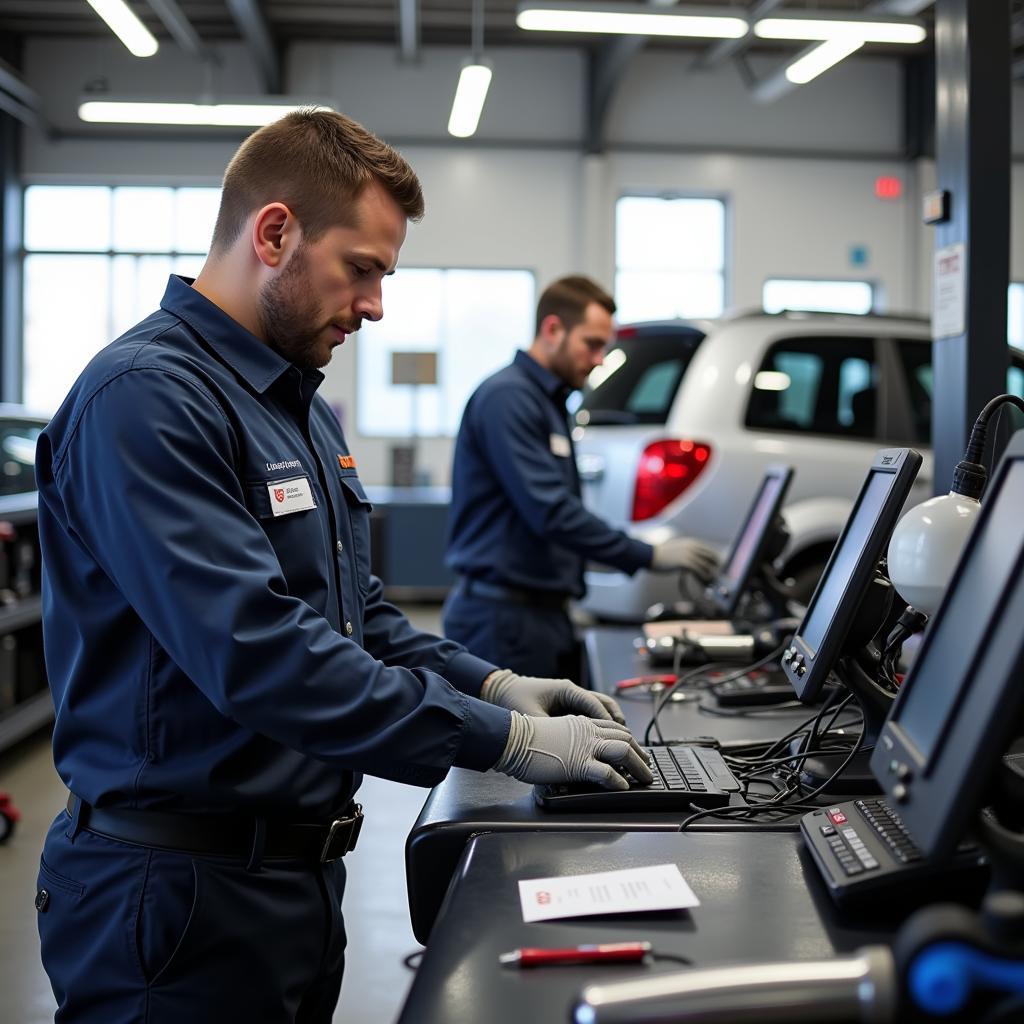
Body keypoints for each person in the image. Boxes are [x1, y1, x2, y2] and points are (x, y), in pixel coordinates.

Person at [33, 110, 653, 1024]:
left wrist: (496, 682)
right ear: (274, 232)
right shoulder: (147, 402)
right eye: (360, 269)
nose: (374, 304)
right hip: (173, 896)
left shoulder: (301, 409)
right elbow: (264, 654)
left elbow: (358, 616)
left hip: (296, 883)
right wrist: (501, 742)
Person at [443, 275, 720, 680]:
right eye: (591, 344)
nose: (599, 359)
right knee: (514, 742)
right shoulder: (509, 398)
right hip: (502, 621)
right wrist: (647, 554)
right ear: (553, 330)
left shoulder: (548, 402)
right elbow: (551, 511)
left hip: (539, 614)